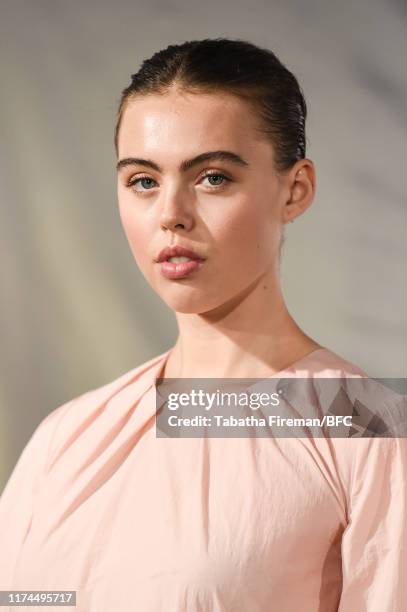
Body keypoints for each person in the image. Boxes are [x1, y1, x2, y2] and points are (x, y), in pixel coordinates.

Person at [0, 38, 405, 611]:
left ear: (296, 189)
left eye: (212, 177)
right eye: (143, 180)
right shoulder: (67, 437)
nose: (170, 214)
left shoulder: (368, 431)